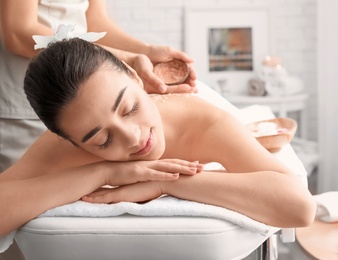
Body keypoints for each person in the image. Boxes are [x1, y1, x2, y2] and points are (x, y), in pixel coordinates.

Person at [0, 38, 316, 237]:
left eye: (129, 108)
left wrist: (167, 182)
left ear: (137, 77)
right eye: (103, 141)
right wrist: (104, 172)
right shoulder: (65, 143)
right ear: (70, 142)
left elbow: (299, 206)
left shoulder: (202, 120)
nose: (135, 137)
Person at [0, 0, 196, 172]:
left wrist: (144, 52)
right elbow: (19, 31)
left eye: (129, 108)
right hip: (28, 109)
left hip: (92, 99)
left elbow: (95, 22)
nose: (133, 138)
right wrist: (126, 59)